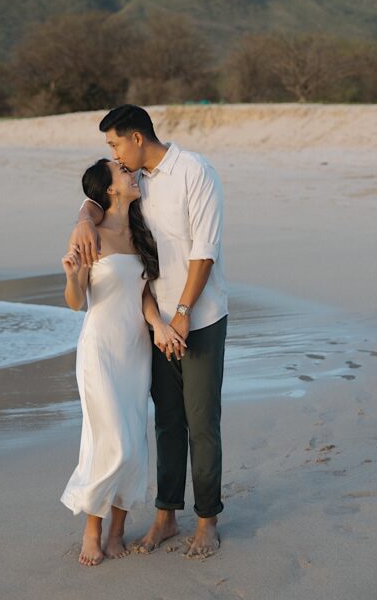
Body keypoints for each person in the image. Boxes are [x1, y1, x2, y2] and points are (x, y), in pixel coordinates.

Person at [70, 105, 228, 559]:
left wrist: (181, 312)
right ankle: (166, 516)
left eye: (116, 144)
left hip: (200, 316)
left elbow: (205, 252)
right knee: (166, 423)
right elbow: (98, 202)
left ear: (137, 138)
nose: (115, 155)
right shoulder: (134, 185)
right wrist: (84, 215)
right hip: (152, 326)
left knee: (201, 422)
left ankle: (207, 520)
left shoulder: (194, 171)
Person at [61, 157, 187, 567]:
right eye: (122, 172)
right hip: (100, 349)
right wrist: (71, 275)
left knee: (132, 443)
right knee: (110, 439)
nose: (131, 173)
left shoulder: (139, 231)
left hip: (135, 350)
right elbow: (77, 301)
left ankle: (117, 530)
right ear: (110, 189)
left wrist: (159, 326)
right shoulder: (89, 234)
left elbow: (143, 294)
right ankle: (92, 530)